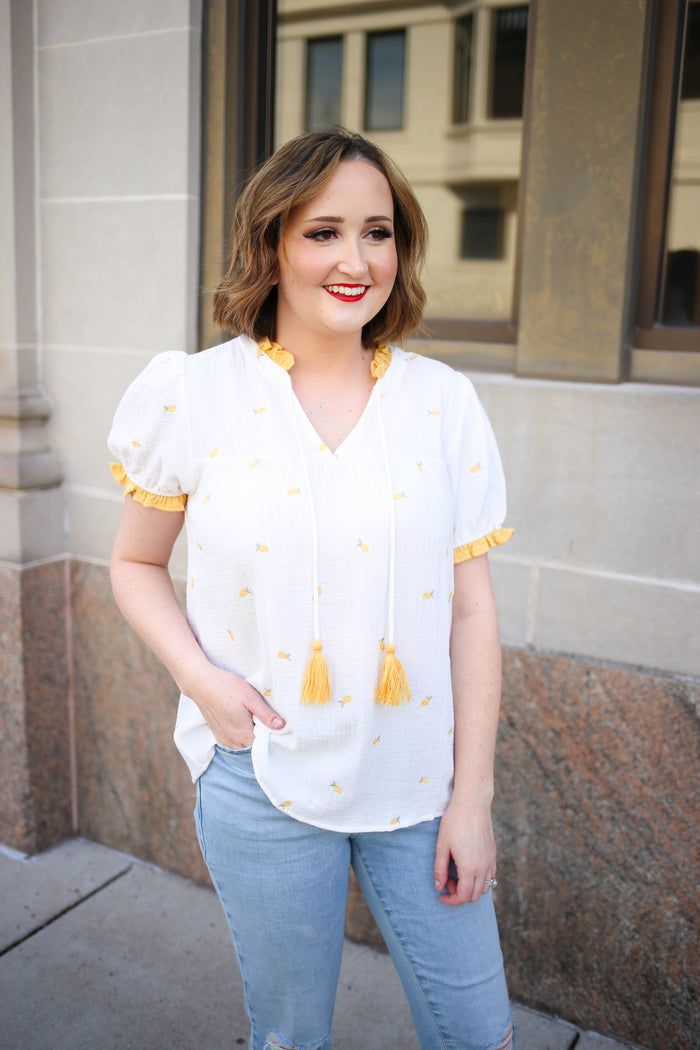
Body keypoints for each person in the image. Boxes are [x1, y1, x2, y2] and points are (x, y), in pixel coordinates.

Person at [108, 127, 515, 1050]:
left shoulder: (444, 404)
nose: (355, 259)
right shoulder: (194, 395)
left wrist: (473, 800)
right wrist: (205, 684)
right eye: (323, 231)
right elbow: (134, 566)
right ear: (273, 245)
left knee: (480, 1032)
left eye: (378, 232)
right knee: (291, 1037)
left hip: (422, 781)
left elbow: (474, 608)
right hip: (261, 773)